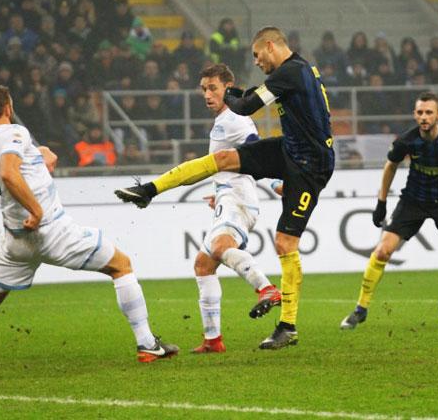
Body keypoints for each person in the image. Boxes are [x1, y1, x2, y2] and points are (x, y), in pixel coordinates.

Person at [0, 84, 178, 369]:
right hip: (50, 230)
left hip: (16, 240)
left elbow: (16, 161)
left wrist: (41, 153)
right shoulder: (15, 131)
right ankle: (147, 345)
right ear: (8, 107)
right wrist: (37, 210)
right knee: (121, 266)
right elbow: (10, 173)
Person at [115, 26, 334, 350]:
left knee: (285, 243)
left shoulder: (290, 73)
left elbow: (245, 107)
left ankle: (287, 325)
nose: (257, 62)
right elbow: (251, 100)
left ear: (271, 47)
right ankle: (150, 189)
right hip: (291, 149)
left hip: (310, 166)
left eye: (257, 56)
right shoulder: (296, 70)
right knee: (221, 159)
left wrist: (230, 92)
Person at [340, 92, 438, 330]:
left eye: (429, 112)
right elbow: (390, 165)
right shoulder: (407, 140)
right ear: (415, 114)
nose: (424, 117)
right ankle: (360, 309)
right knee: (382, 251)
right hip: (414, 201)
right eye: (420, 113)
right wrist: (381, 202)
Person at [190, 64, 281, 354]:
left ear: (228, 88)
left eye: (213, 88)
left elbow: (256, 148)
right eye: (204, 88)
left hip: (238, 199)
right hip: (228, 197)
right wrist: (219, 192)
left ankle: (266, 288)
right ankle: (212, 340)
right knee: (204, 265)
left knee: (219, 247)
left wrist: (279, 179)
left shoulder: (233, 119)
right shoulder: (224, 120)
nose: (207, 94)